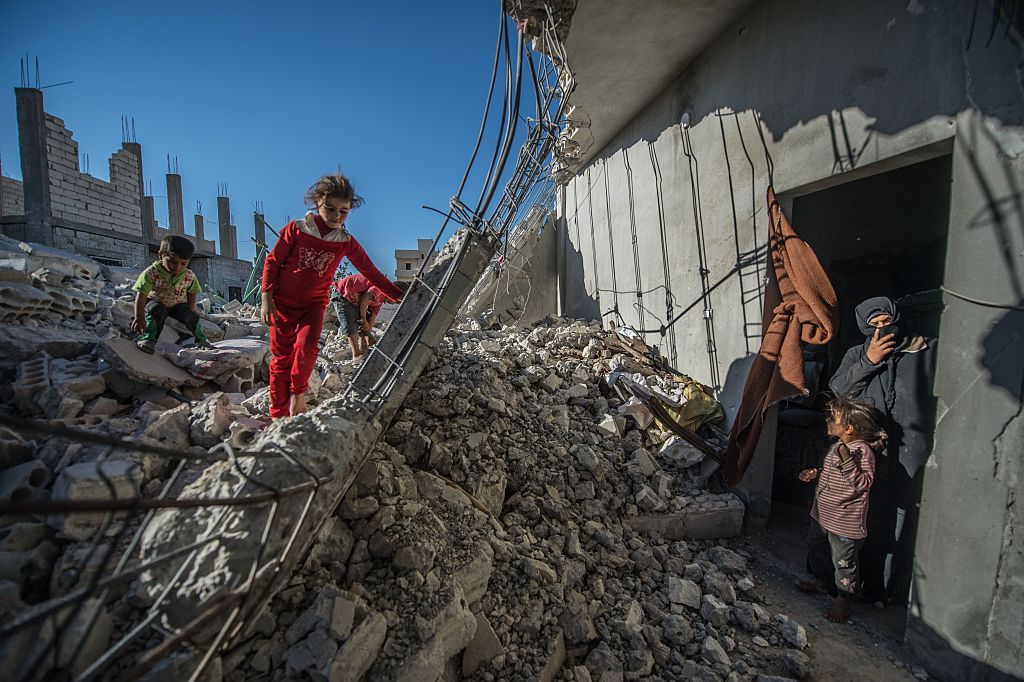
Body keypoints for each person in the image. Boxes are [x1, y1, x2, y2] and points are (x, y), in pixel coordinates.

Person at [260, 173, 404, 419]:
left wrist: (399, 295)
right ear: (317, 202)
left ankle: (298, 399)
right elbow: (273, 262)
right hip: (283, 304)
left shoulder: (344, 241)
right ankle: (277, 413)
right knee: (282, 358)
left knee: (306, 350)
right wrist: (266, 299)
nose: (336, 216)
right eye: (330, 209)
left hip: (314, 305)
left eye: (343, 212)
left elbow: (370, 271)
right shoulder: (296, 229)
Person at [828, 296, 937, 605]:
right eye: (874, 325)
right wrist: (870, 361)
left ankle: (886, 593)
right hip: (870, 452)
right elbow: (839, 391)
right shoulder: (857, 354)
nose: (882, 329)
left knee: (900, 518)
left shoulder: (922, 348)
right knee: (863, 517)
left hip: (910, 452)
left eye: (886, 322)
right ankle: (849, 586)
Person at [795, 395, 886, 623]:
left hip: (844, 522)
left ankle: (843, 602)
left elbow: (863, 483)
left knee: (844, 565)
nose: (827, 420)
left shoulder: (861, 451)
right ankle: (820, 582)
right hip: (823, 515)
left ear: (848, 428)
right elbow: (832, 473)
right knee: (815, 547)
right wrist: (815, 473)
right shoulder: (839, 446)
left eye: (832, 418)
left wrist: (847, 461)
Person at [131, 235, 210, 354]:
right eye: (172, 262)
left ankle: (202, 341)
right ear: (161, 255)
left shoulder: (189, 275)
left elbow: (192, 292)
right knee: (156, 311)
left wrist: (190, 309)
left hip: (176, 304)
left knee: (192, 317)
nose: (177, 267)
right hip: (155, 301)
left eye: (183, 264)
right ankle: (149, 339)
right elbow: (141, 294)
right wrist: (139, 317)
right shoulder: (152, 272)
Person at [334, 274, 408, 360]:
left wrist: (369, 335)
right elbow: (365, 299)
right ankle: (356, 353)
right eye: (395, 301)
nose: (393, 303)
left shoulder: (379, 302)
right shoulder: (380, 287)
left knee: (366, 320)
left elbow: (372, 316)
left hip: (354, 300)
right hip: (342, 293)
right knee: (350, 321)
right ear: (392, 292)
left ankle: (364, 347)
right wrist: (364, 319)